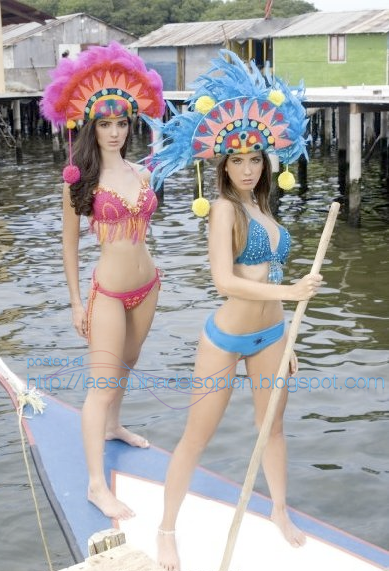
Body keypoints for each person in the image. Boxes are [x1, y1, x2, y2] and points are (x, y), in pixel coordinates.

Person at [148, 50, 322, 570]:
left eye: (255, 159)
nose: (247, 169)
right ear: (222, 164)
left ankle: (279, 511)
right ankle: (166, 529)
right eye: (237, 160)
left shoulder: (262, 206)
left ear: (267, 162)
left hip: (271, 337)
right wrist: (292, 294)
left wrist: (287, 333)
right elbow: (225, 282)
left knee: (273, 429)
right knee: (196, 437)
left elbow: (268, 277)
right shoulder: (223, 209)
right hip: (225, 340)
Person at [41, 42, 165, 519]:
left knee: (128, 364)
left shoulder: (143, 173)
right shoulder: (79, 179)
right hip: (108, 293)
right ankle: (96, 484)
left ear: (131, 125)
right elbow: (69, 246)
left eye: (122, 123)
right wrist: (77, 302)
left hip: (148, 286)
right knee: (102, 382)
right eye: (105, 124)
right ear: (91, 127)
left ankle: (114, 426)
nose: (115, 132)